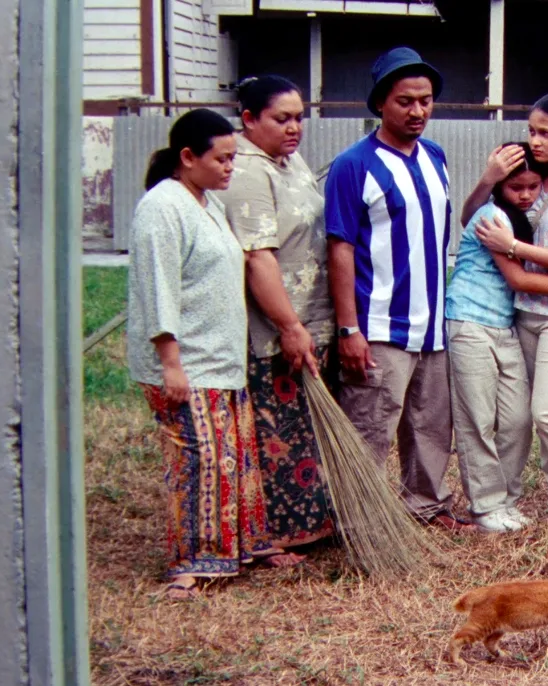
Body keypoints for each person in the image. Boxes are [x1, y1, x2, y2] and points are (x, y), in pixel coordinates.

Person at [126, 109, 279, 599]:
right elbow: (157, 289)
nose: (230, 167)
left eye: (234, 158)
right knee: (199, 462)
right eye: (222, 159)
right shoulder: (161, 206)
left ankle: (235, 548)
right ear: (188, 157)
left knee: (232, 459)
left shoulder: (206, 201)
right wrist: (171, 364)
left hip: (220, 360)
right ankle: (191, 565)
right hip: (187, 363)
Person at [324, 47, 473, 531]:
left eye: (426, 101)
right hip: (380, 323)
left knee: (430, 424)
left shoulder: (435, 156)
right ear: (380, 103)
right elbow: (340, 248)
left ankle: (425, 504)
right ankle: (358, 523)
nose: (418, 111)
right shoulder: (353, 165)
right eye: (405, 101)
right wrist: (349, 328)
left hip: (432, 323)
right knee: (370, 427)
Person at [447, 143, 548, 533]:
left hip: (506, 324)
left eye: (533, 186)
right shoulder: (493, 219)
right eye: (515, 187)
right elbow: (519, 279)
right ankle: (486, 506)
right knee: (477, 419)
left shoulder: (525, 217)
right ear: (499, 187)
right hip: (469, 322)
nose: (525, 195)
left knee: (519, 419)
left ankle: (506, 499)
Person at [215, 75, 335, 555]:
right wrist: (289, 326)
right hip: (275, 328)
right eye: (281, 119)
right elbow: (257, 258)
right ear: (248, 119)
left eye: (299, 118)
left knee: (306, 431)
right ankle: (275, 535)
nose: (294, 128)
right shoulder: (247, 171)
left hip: (312, 317)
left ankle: (312, 525)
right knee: (278, 434)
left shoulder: (289, 160)